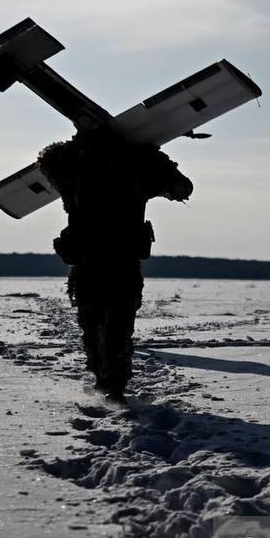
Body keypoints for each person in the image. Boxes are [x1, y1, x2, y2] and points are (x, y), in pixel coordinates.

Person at [38, 133, 193, 400]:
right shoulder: (132, 163)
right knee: (107, 331)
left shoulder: (72, 163)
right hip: (108, 263)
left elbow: (181, 188)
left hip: (104, 263)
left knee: (105, 331)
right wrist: (153, 159)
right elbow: (182, 188)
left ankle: (111, 386)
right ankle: (110, 386)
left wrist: (155, 161)